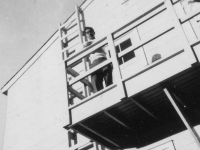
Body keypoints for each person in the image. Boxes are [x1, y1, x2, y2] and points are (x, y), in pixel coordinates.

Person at [83, 27, 113, 92]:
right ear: (86, 35)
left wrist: (93, 44)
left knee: (108, 79)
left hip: (102, 59)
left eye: (91, 31)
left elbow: (106, 44)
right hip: (93, 63)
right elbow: (78, 51)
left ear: (94, 32)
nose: (90, 33)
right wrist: (84, 46)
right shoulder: (85, 44)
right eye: (87, 33)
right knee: (96, 81)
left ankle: (110, 92)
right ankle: (101, 96)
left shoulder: (99, 39)